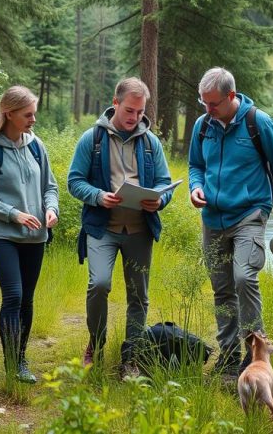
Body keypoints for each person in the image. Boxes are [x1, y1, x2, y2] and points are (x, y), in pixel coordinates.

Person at [187, 67, 273, 380]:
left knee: (244, 276)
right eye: (203, 103)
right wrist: (195, 187)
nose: (208, 110)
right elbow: (196, 165)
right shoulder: (202, 126)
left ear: (231, 96)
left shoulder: (257, 122)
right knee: (222, 289)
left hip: (250, 214)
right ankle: (228, 355)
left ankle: (256, 352)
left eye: (213, 104)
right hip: (212, 217)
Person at [68, 77, 175, 378]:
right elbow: (74, 181)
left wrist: (160, 200)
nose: (135, 117)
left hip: (140, 231)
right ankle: (95, 344)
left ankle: (132, 357)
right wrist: (99, 196)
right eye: (130, 110)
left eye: (140, 112)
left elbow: (165, 183)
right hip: (102, 229)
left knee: (138, 296)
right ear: (115, 103)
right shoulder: (93, 139)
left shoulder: (151, 143)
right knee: (99, 284)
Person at [0, 85, 59, 384]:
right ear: (9, 114)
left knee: (27, 300)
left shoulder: (36, 145)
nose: (33, 119)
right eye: (28, 114)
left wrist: (51, 209)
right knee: (14, 295)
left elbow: (50, 186)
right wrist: (13, 213)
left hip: (35, 236)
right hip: (0, 233)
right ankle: (13, 365)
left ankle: (21, 357)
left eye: (34, 113)